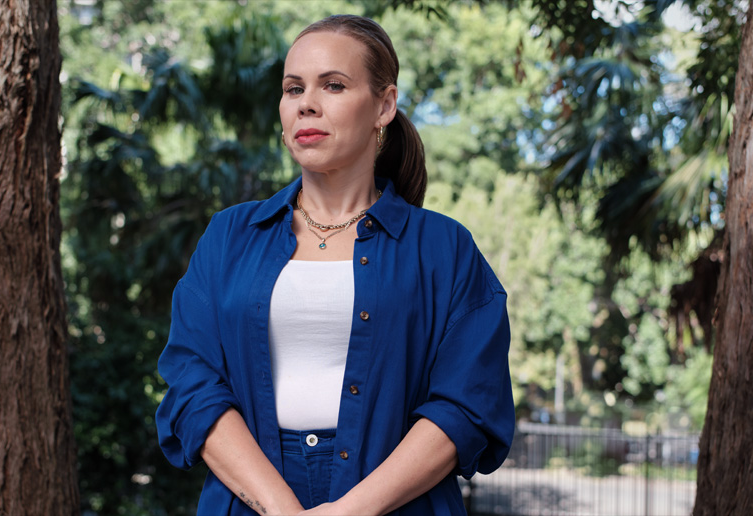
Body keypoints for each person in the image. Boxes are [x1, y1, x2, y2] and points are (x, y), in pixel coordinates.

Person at [156, 14, 514, 515]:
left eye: (334, 85)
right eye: (293, 88)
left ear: (384, 105)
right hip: (249, 502)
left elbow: (467, 404)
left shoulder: (445, 249)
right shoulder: (228, 237)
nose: (306, 103)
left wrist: (351, 511)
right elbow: (193, 386)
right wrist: (281, 508)